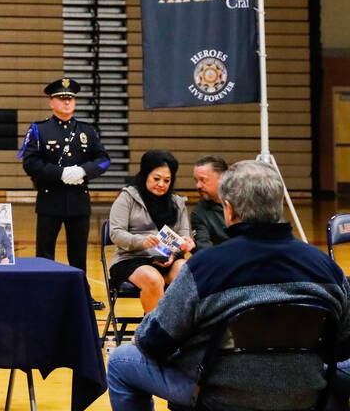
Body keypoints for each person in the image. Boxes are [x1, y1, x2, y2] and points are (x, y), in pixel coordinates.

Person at [107, 160, 350, 411]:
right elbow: (343, 346)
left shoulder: (204, 268)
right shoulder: (327, 270)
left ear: (229, 210)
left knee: (121, 361)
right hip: (306, 392)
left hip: (216, 396)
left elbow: (153, 342)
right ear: (279, 205)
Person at [19, 77, 109, 308]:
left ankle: (80, 295)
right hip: (50, 198)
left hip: (79, 200)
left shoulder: (88, 131)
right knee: (45, 252)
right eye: (61, 98)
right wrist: (59, 173)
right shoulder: (39, 129)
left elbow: (103, 161)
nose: (67, 102)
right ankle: (42, 293)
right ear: (52, 102)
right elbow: (30, 163)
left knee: (79, 255)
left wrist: (82, 170)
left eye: (70, 99)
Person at [108, 150, 195, 313]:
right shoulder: (127, 197)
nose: (161, 184)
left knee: (186, 270)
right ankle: (155, 333)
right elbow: (116, 233)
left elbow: (182, 235)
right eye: (156, 179)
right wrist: (141, 241)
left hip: (165, 258)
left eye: (167, 180)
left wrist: (176, 251)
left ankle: (178, 328)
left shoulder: (177, 202)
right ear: (145, 174)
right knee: (153, 279)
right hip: (130, 259)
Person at [190, 155, 229, 250]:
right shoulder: (199, 213)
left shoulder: (245, 200)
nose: (198, 185)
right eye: (196, 180)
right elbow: (203, 247)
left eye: (203, 180)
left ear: (222, 178)